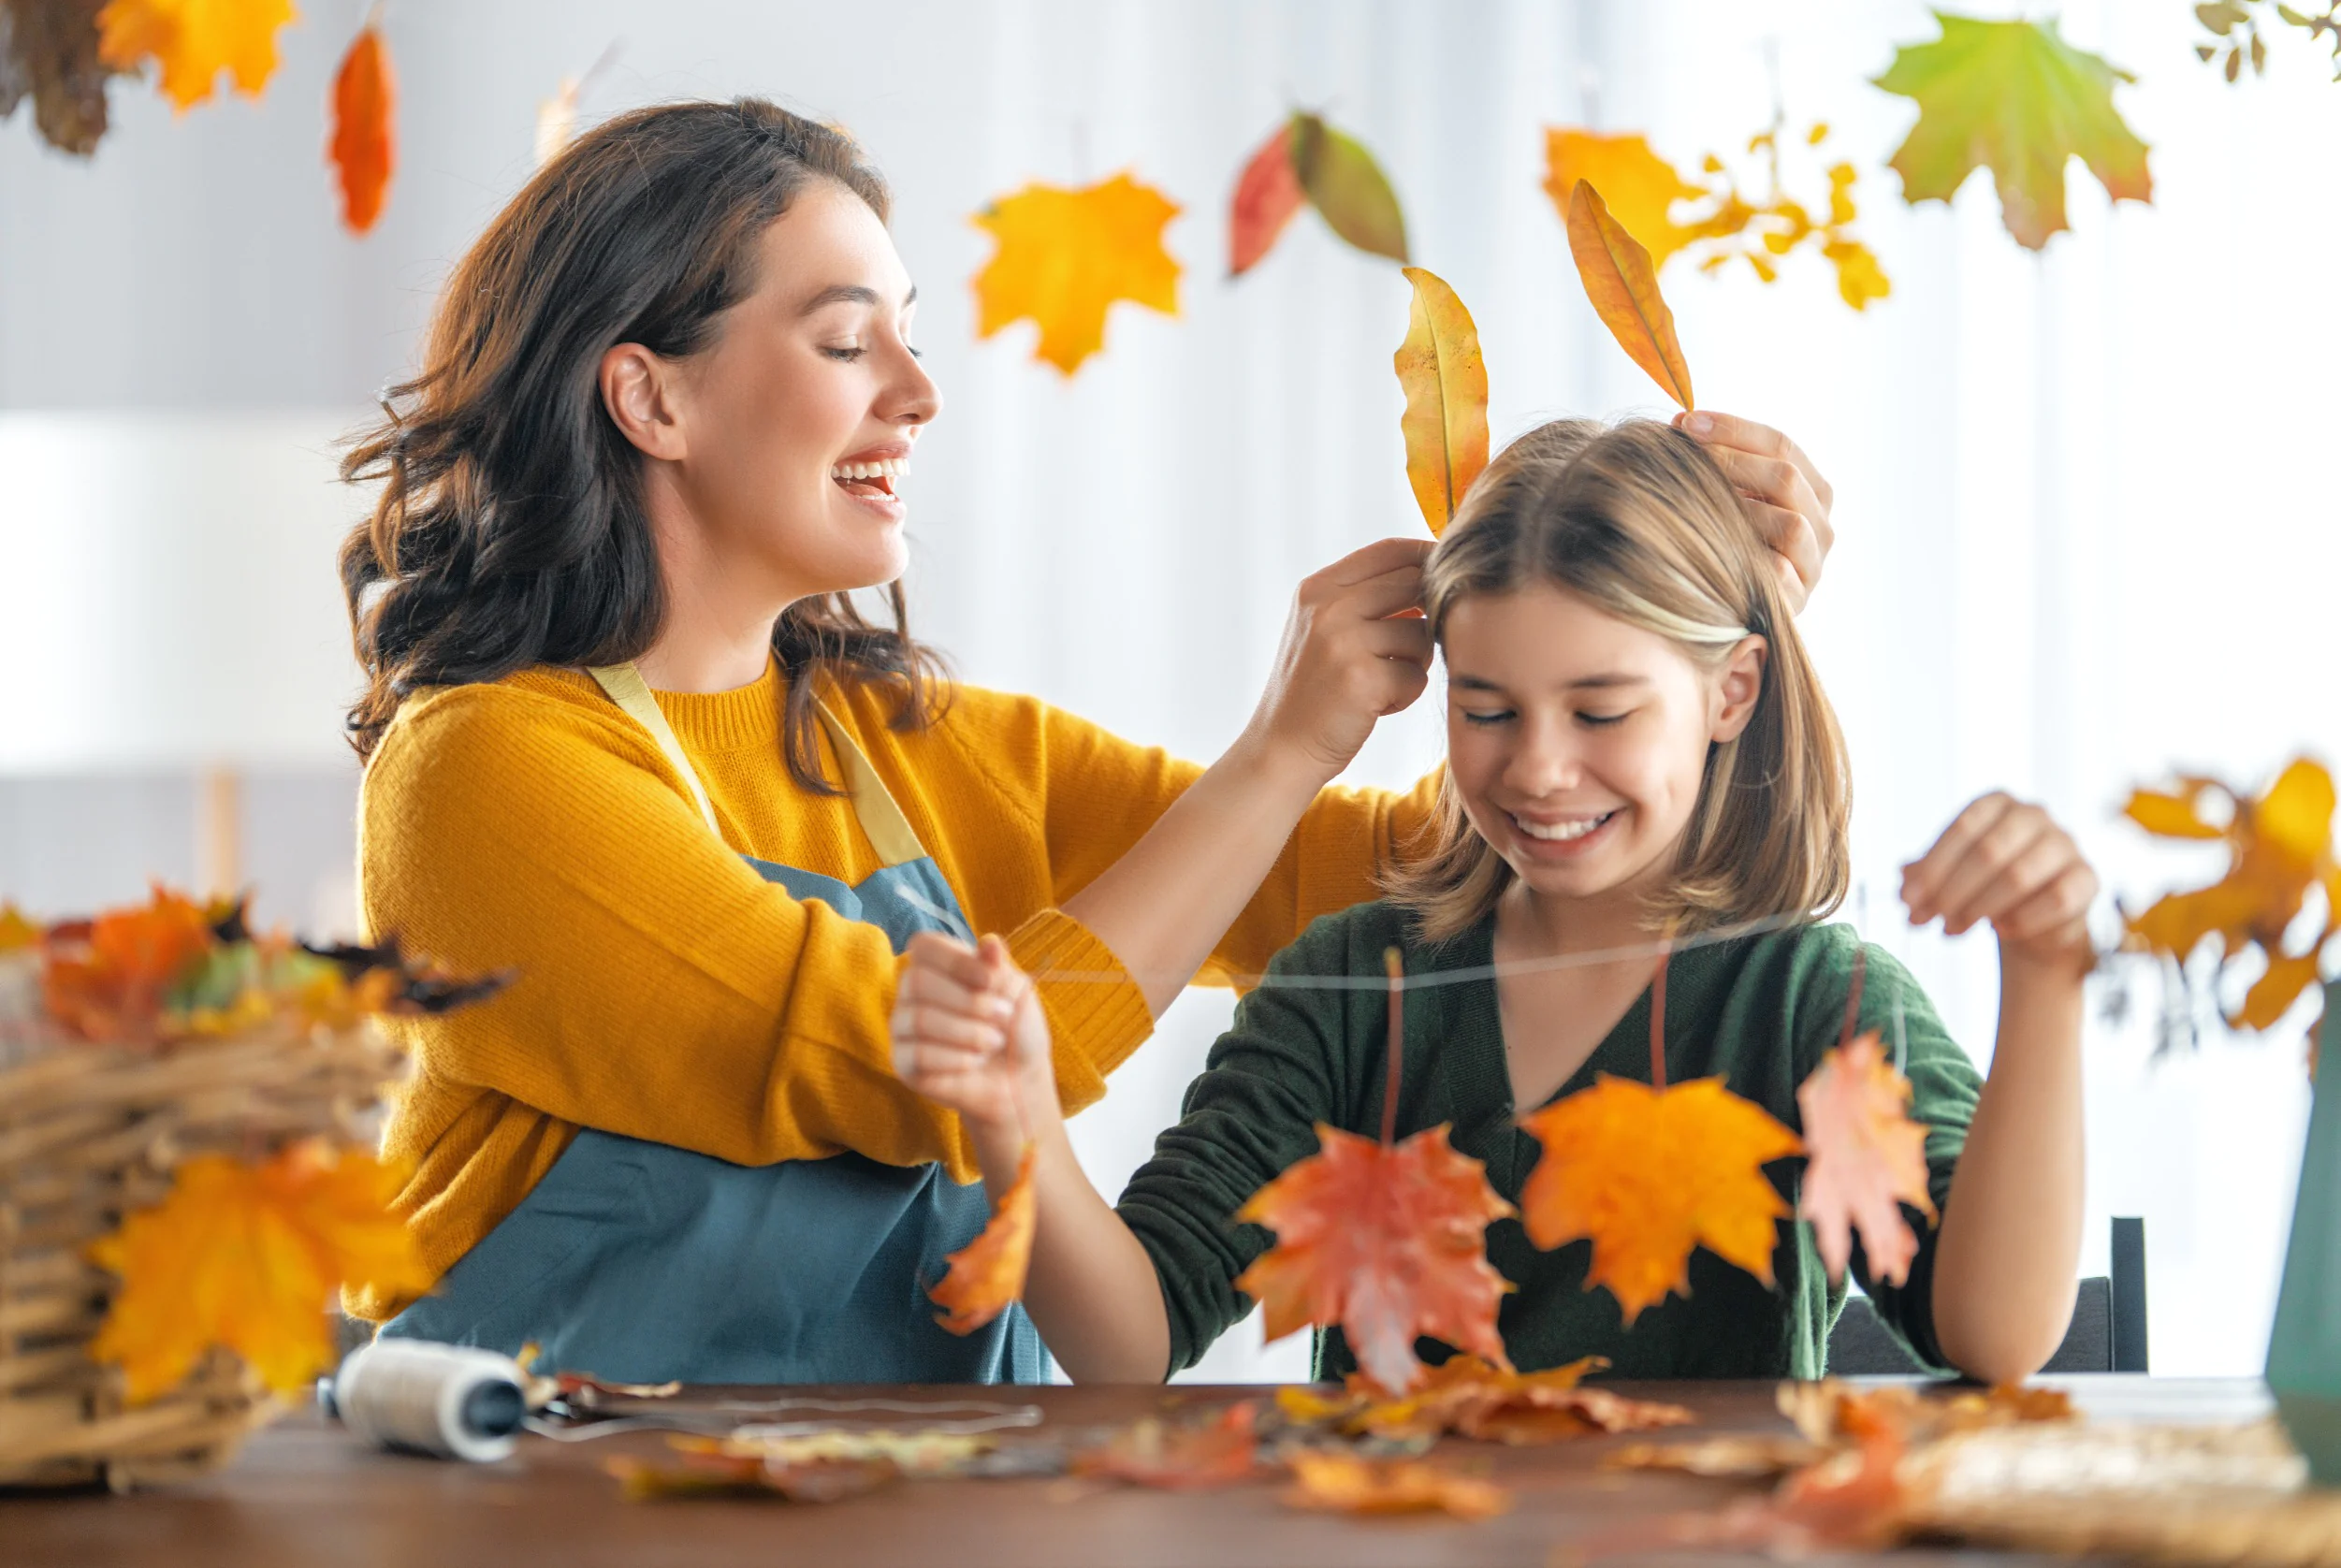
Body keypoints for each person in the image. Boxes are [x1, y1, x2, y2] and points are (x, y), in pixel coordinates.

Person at [338, 98, 1840, 1385]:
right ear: (647, 395)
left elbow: (1422, 887)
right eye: (850, 341)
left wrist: (1636, 628)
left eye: (911, 343)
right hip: (546, 1512)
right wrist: (1273, 752)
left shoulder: (917, 746)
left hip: (905, 1512)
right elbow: (912, 1077)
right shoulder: (482, 777)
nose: (918, 397)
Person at [892, 418, 2095, 1385]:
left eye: (1602, 710)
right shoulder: (1353, 987)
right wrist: (1021, 1119)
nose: (1538, 768)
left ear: (1732, 693)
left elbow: (1988, 1335)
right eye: (1487, 708)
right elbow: (1132, 1340)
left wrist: (2043, 978)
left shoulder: (1814, 1002)